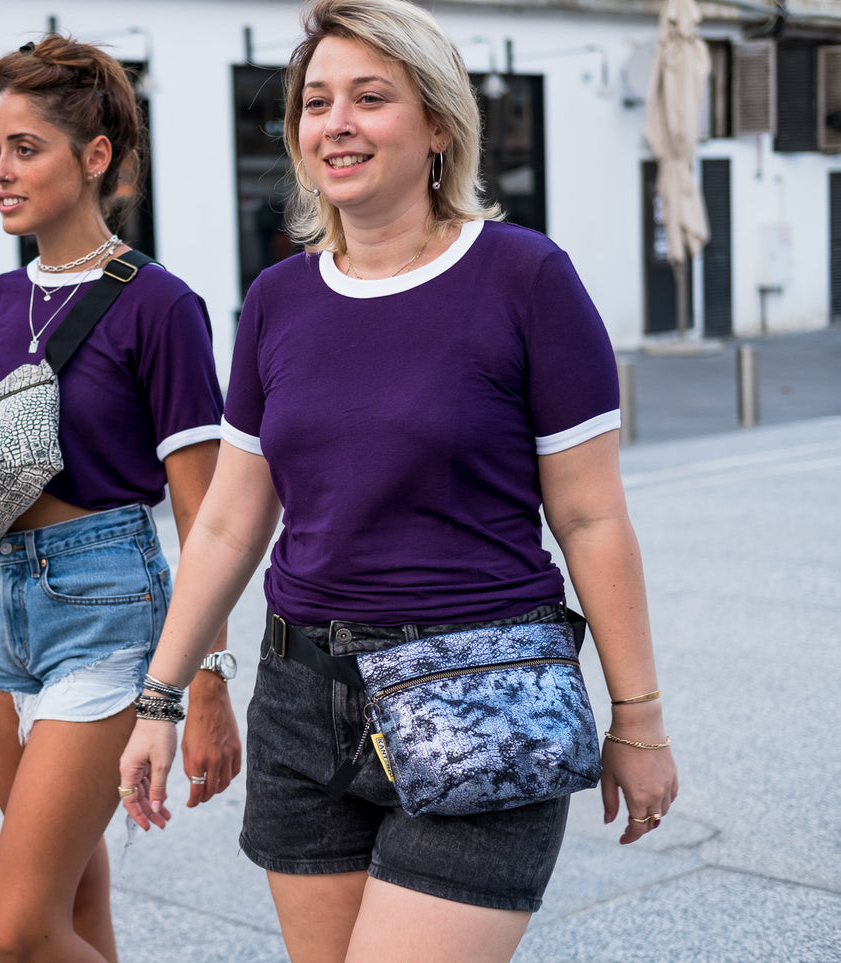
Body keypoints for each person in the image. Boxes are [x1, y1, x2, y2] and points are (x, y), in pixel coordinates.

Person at [117, 1, 681, 961]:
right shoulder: (275, 298)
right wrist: (160, 699)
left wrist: (638, 717)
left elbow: (588, 517)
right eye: (315, 101)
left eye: (370, 98)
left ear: (437, 125)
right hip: (303, 700)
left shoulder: (524, 278)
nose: (334, 122)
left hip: (479, 687)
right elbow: (226, 525)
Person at [0, 35, 242, 963]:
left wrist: (210, 679)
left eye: (24, 148)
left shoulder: (161, 306)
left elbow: (207, 514)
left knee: (18, 927)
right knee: (73, 893)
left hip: (102, 614)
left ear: (93, 157)